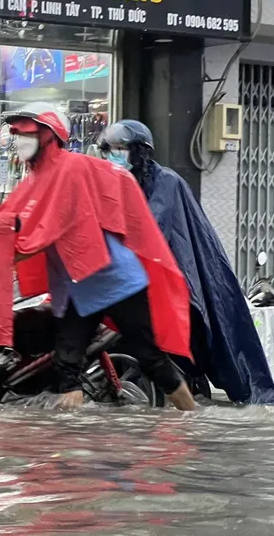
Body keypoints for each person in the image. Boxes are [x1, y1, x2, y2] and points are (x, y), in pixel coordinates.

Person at [0, 102, 197, 411]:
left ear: (49, 136)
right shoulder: (36, 179)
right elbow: (7, 222)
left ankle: (191, 418)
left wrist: (11, 247)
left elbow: (49, 223)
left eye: (27, 133)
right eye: (16, 134)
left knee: (150, 358)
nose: (19, 140)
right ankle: (70, 436)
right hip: (77, 286)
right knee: (67, 369)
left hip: (114, 281)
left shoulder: (71, 168)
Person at [101, 119, 274, 403]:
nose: (115, 155)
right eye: (110, 149)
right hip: (135, 275)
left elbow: (151, 227)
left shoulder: (165, 181)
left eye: (122, 148)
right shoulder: (115, 182)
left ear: (140, 151)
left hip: (175, 271)